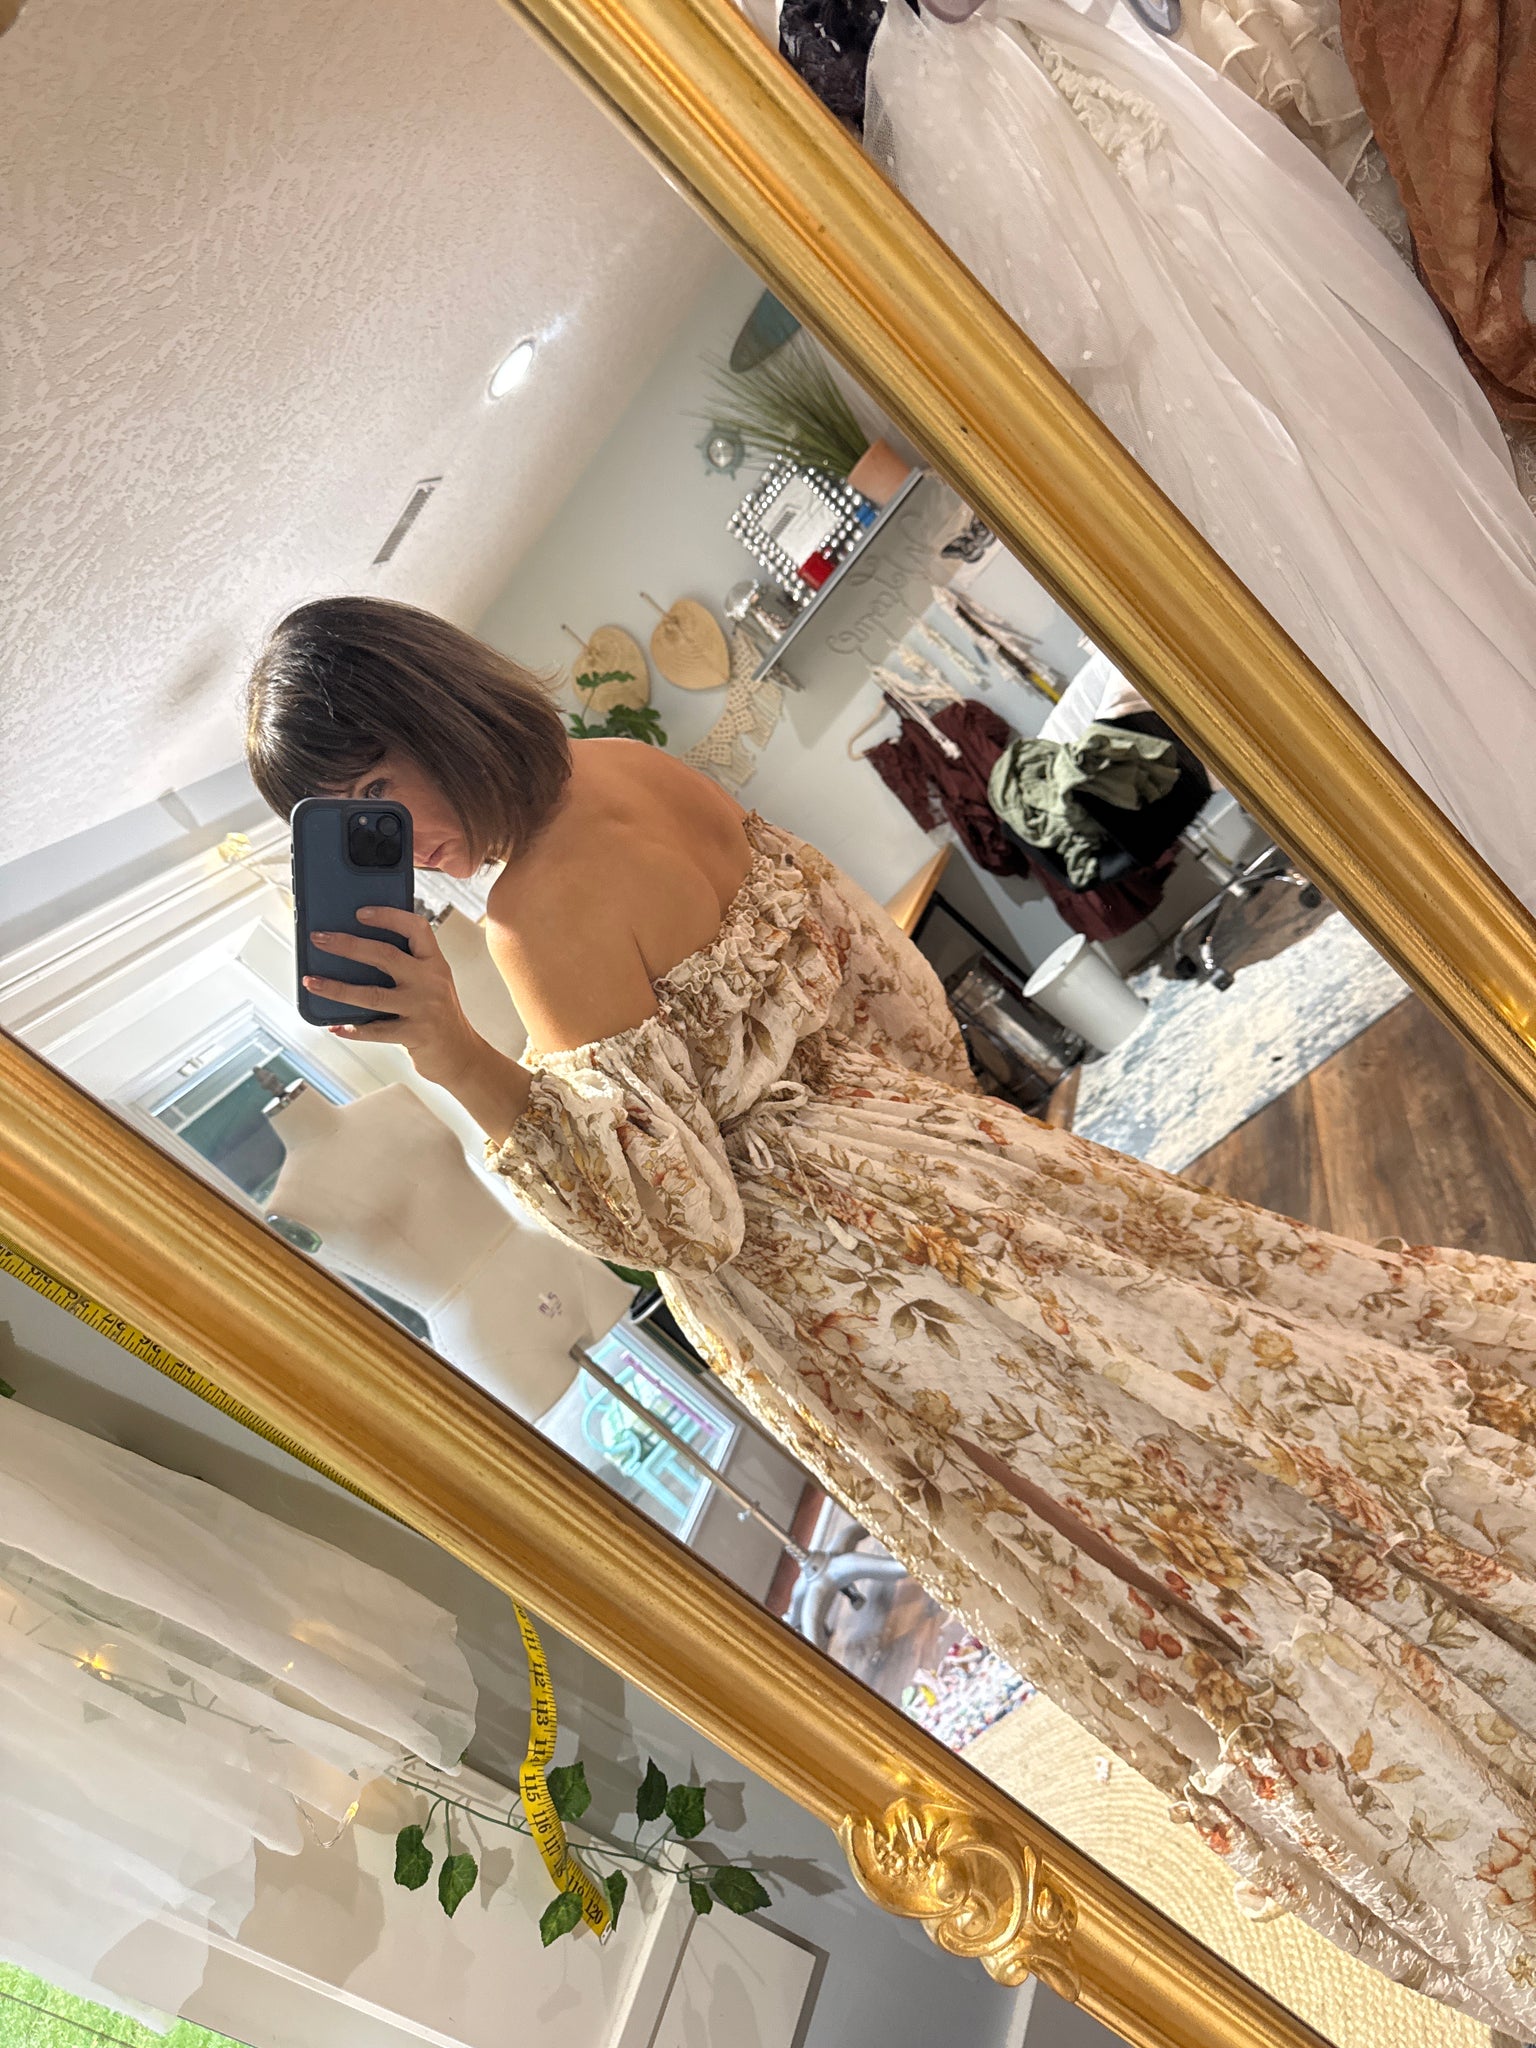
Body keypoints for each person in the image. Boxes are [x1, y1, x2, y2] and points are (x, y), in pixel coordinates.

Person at [247, 596, 1536, 2037]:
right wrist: (919, 1128)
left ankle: (1474, 1795)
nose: (395, 839)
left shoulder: (534, 920)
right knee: (1238, 1386)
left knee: (1152, 1535)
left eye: (375, 791)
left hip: (872, 1300)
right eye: (337, 822)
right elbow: (882, 970)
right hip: (956, 1170)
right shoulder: (633, 769)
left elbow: (670, 1223)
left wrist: (451, 1051)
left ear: (433, 718)